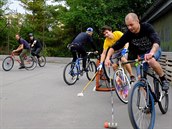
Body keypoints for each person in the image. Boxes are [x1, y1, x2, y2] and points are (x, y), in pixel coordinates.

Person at [105, 13, 169, 91]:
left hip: (153, 50)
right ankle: (149, 101)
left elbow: (156, 41)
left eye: (131, 25)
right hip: (141, 56)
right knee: (140, 79)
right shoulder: (128, 34)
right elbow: (115, 46)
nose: (129, 27)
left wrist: (151, 53)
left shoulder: (146, 27)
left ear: (137, 21)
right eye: (127, 25)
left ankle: (163, 79)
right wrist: (108, 58)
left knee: (151, 60)